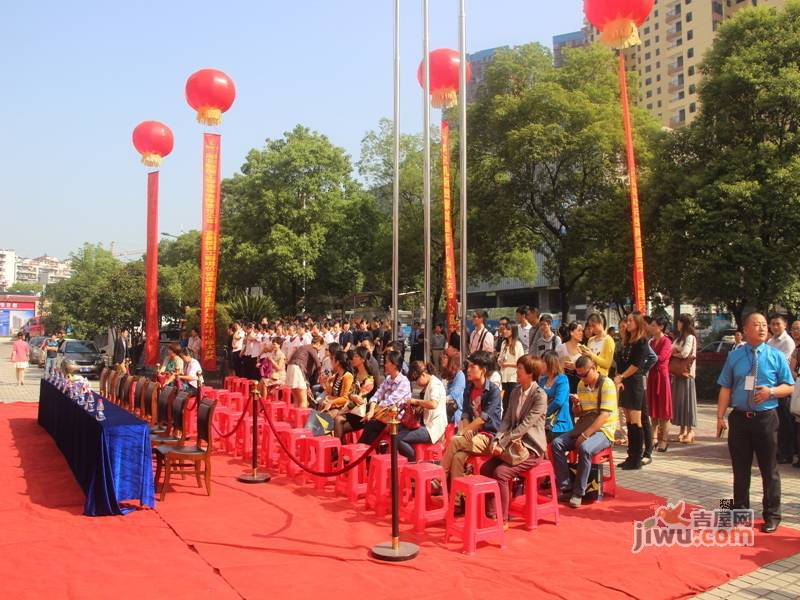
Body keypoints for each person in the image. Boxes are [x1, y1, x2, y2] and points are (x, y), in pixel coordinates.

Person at [717, 312, 794, 534]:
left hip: (766, 419)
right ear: (745, 329)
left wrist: (771, 391)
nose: (762, 328)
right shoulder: (735, 356)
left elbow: (789, 386)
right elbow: (726, 387)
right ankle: (740, 512)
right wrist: (720, 416)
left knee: (769, 470)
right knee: (740, 470)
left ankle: (772, 515)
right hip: (740, 419)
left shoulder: (775, 356)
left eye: (764, 325)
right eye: (756, 325)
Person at [480, 355, 548, 525]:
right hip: (512, 444)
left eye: (519, 369)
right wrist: (497, 439)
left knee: (500, 473)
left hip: (531, 448)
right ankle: (491, 512)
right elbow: (507, 420)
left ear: (530, 373)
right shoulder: (516, 391)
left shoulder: (540, 396)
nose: (516, 371)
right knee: (486, 468)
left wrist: (503, 443)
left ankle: (502, 519)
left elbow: (525, 426)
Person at [551, 355, 618, 508]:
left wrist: (585, 435)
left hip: (604, 430)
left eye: (585, 374)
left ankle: (578, 493)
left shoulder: (607, 384)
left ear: (594, 369)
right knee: (556, 444)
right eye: (579, 374)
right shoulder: (581, 384)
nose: (582, 378)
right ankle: (566, 486)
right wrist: (576, 406)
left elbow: (604, 416)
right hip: (585, 425)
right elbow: (581, 414)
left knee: (585, 448)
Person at [441, 352, 503, 485]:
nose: (468, 370)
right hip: (473, 435)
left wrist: (464, 430)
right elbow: (465, 413)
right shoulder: (469, 388)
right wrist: (467, 428)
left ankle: (440, 477)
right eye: (468, 367)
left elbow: (483, 419)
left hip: (489, 437)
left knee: (454, 441)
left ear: (483, 370)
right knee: (458, 457)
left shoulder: (493, 391)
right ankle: (458, 499)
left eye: (472, 367)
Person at [615, 311, 649, 470]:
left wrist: (621, 376)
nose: (627, 324)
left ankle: (637, 458)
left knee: (636, 421)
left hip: (634, 383)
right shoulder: (627, 341)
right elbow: (620, 361)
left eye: (630, 321)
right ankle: (630, 455)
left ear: (637, 323)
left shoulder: (642, 342)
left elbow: (636, 365)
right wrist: (619, 377)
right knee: (628, 420)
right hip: (625, 382)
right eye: (627, 321)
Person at [396, 361, 447, 462]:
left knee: (398, 438)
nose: (417, 384)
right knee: (399, 430)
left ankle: (414, 459)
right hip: (427, 425)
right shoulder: (428, 385)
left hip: (432, 428)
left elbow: (433, 404)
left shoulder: (435, 385)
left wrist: (416, 401)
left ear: (423, 375)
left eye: (416, 380)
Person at [359, 351, 411, 445]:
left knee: (371, 424)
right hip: (384, 416)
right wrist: (371, 411)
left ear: (394, 365)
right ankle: (365, 454)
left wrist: (373, 412)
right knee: (372, 432)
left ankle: (360, 449)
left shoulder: (404, 382)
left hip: (398, 420)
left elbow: (389, 401)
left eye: (387, 362)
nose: (385, 365)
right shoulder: (388, 379)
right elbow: (376, 395)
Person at [767, 314, 797, 465]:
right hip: (772, 386)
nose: (775, 327)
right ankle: (778, 450)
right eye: (772, 324)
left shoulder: (788, 342)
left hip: (783, 386)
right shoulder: (770, 341)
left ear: (784, 325)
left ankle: (787, 452)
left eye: (777, 324)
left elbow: (782, 364)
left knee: (785, 421)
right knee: (776, 421)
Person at [334, 347, 376, 441]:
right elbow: (350, 394)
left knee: (338, 421)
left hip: (362, 415)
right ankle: (340, 452)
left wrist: (343, 410)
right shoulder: (356, 375)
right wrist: (351, 397)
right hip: (352, 412)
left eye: (356, 356)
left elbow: (359, 400)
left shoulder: (369, 380)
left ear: (363, 360)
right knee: (337, 422)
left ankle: (339, 451)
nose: (353, 358)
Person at [647, 316, 673, 453]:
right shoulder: (651, 342)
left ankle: (664, 440)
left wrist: (650, 358)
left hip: (661, 378)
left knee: (664, 411)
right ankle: (653, 439)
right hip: (652, 376)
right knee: (653, 411)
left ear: (661, 327)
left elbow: (661, 358)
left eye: (653, 325)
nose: (651, 327)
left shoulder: (666, 341)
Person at [671, 314, 698, 444]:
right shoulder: (679, 338)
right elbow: (671, 348)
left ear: (684, 323)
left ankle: (690, 431)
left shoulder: (690, 338)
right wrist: (675, 350)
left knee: (687, 402)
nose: (677, 324)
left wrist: (676, 351)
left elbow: (685, 353)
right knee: (680, 402)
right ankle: (682, 431)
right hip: (678, 374)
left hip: (687, 374)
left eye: (679, 322)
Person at [286, 334, 325, 408]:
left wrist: (308, 386)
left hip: (290, 368)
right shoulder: (312, 348)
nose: (320, 349)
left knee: (296, 399)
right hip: (297, 369)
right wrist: (322, 375)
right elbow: (318, 364)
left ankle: (297, 419)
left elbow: (305, 373)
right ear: (318, 344)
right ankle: (302, 419)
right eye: (321, 347)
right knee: (303, 400)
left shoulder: (303, 347)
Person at [540, 350, 572, 441]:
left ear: (550, 363)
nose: (540, 364)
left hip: (559, 422)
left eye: (542, 362)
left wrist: (542, 413)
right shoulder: (542, 380)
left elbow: (559, 401)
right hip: (543, 421)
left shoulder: (562, 379)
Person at [497, 324, 524, 412]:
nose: (505, 331)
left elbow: (521, 362)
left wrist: (507, 364)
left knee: (513, 401)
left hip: (513, 377)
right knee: (505, 402)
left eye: (508, 329)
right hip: (504, 376)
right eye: (504, 329)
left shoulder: (518, 344)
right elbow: (500, 357)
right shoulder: (504, 343)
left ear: (513, 331)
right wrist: (500, 361)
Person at [557, 322, 584, 393]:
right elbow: (555, 364)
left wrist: (576, 366)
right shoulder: (561, 348)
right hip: (564, 382)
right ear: (571, 332)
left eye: (582, 331)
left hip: (579, 383)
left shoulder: (583, 349)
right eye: (579, 330)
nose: (581, 333)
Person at [441, 346, 465, 424]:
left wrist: (439, 400)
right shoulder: (445, 373)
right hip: (443, 410)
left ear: (451, 360)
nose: (442, 359)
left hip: (454, 413)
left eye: (445, 357)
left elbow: (454, 395)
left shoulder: (459, 375)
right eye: (442, 357)